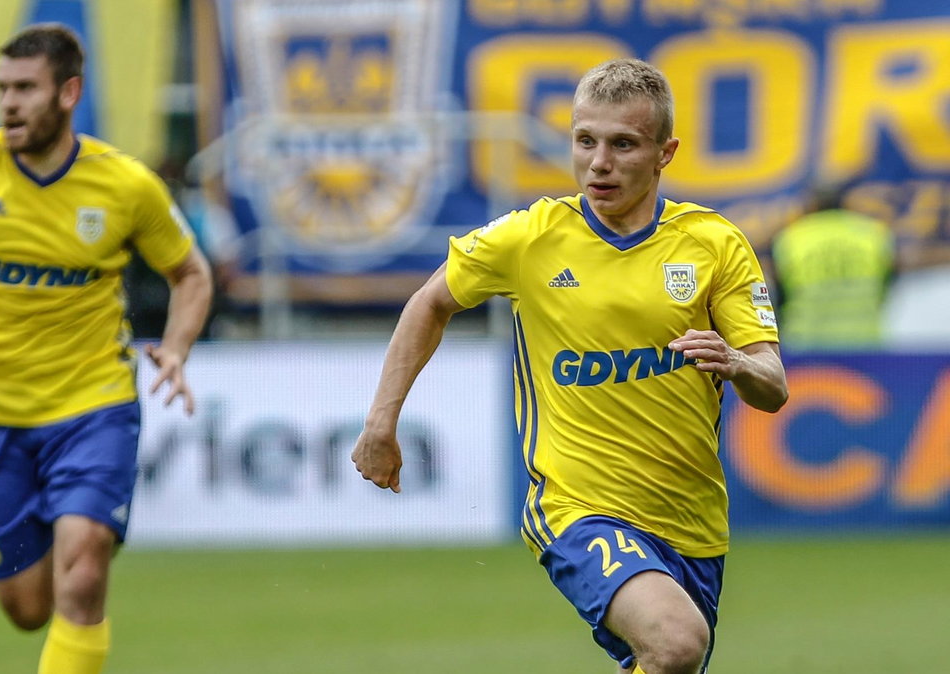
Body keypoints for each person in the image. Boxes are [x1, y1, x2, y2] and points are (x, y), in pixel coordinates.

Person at [352, 58, 788, 674]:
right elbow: (430, 302)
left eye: (623, 144)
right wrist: (380, 423)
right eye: (585, 141)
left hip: (692, 523)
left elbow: (773, 388)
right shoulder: (531, 237)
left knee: (667, 659)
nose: (599, 162)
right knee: (676, 641)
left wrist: (738, 362)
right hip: (575, 507)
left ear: (666, 153)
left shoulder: (714, 244)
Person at [0, 23, 212, 674]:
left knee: (85, 562)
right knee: (28, 607)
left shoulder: (124, 184)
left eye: (26, 89)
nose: (8, 103)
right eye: (3, 88)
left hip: (93, 404)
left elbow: (192, 273)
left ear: (69, 93)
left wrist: (176, 347)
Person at [769, 182, 895, 349]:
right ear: (844, 204)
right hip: (864, 340)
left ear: (811, 206)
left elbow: (779, 293)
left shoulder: (790, 238)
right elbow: (889, 282)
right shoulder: (873, 234)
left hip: (807, 343)